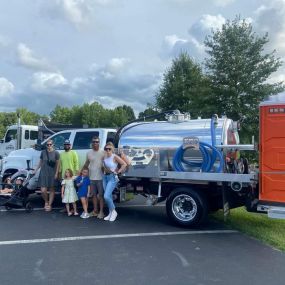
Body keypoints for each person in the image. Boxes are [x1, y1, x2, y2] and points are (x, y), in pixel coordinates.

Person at [102, 142, 127, 222]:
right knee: (108, 196)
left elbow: (124, 164)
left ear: (112, 149)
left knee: (106, 196)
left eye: (109, 149)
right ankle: (110, 213)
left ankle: (114, 211)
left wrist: (118, 171)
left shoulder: (114, 156)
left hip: (112, 177)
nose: (108, 150)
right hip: (105, 177)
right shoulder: (104, 157)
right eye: (106, 149)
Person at [82, 136, 105, 219]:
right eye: (94, 142)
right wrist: (81, 173)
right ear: (92, 143)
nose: (95, 143)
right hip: (91, 178)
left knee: (101, 196)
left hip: (101, 178)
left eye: (97, 142)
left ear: (99, 143)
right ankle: (95, 211)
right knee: (94, 195)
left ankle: (101, 212)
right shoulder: (89, 153)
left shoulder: (103, 152)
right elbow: (86, 163)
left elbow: (107, 163)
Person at [34, 139, 60, 212]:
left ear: (53, 145)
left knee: (52, 189)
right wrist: (36, 170)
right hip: (43, 172)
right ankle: (46, 201)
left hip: (52, 173)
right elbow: (40, 162)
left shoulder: (56, 153)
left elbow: (58, 165)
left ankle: (49, 204)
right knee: (43, 190)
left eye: (50, 144)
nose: (49, 146)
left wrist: (56, 173)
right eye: (47, 144)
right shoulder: (43, 152)